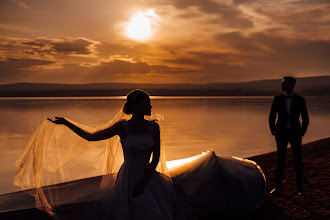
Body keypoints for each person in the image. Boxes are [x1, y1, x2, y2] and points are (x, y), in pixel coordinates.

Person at [14, 89, 178, 219]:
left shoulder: (154, 127)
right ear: (135, 106)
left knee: (153, 212)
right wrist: (66, 123)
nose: (150, 107)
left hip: (148, 177)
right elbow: (91, 137)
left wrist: (143, 182)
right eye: (146, 103)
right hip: (128, 177)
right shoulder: (122, 127)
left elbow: (155, 158)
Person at [269, 76, 309, 195]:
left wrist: (302, 131)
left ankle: (300, 188)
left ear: (291, 85)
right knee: (280, 160)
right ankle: (278, 188)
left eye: (284, 83)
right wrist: (273, 130)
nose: (281, 85)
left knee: (298, 160)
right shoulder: (277, 99)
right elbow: (272, 116)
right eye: (282, 83)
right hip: (280, 133)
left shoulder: (300, 100)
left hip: (295, 133)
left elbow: (305, 117)